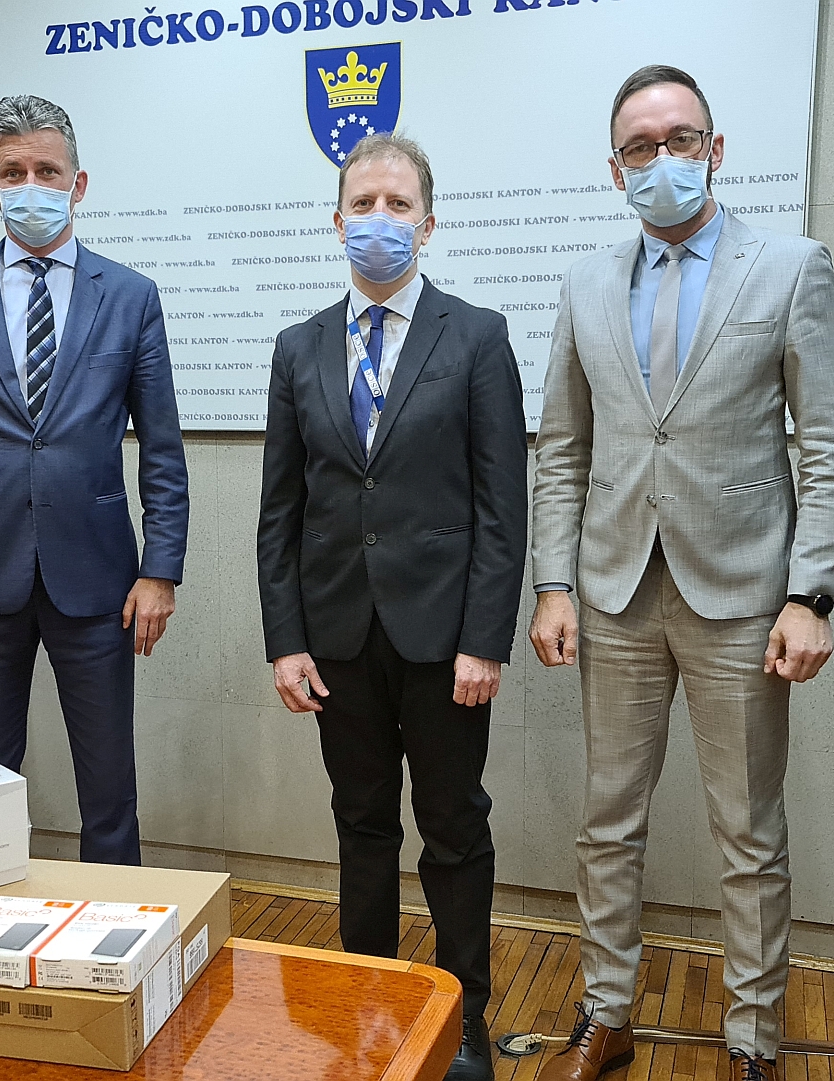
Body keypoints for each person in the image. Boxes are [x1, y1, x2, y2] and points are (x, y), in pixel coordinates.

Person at [528, 66, 834, 1081]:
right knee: (607, 823)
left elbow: (828, 445)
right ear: (615, 168)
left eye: (680, 139)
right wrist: (553, 582)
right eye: (640, 146)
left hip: (744, 600)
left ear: (715, 150)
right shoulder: (586, 283)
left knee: (748, 834)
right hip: (617, 593)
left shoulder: (791, 268)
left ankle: (753, 1040)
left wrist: (811, 594)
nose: (660, 159)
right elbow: (563, 449)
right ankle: (607, 1013)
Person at [257, 132, 527, 1081]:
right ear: (336, 223)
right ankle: (364, 1008)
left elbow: (502, 508)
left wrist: (486, 638)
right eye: (363, 204)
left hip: (445, 641)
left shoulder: (477, 336)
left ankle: (463, 1018)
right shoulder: (298, 348)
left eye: (398, 204)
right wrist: (285, 641)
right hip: (337, 636)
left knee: (453, 830)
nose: (380, 219)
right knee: (361, 823)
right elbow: (281, 511)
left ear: (429, 221)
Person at [0, 95, 188, 866]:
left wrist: (161, 570)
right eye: (12, 172)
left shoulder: (131, 296)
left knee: (109, 784)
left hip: (98, 578)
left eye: (47, 171)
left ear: (77, 183)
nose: (31, 186)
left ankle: (119, 926)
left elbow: (161, 449)